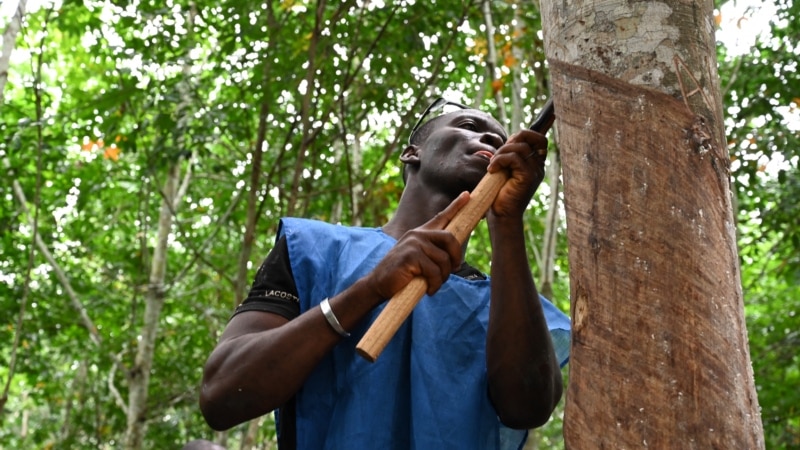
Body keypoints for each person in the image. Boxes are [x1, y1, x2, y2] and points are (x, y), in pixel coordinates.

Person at [199, 97, 571, 450]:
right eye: (469, 125)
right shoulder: (311, 248)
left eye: (500, 138)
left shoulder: (511, 304)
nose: (491, 138)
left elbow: (527, 408)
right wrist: (368, 291)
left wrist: (507, 225)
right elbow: (222, 394)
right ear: (413, 153)